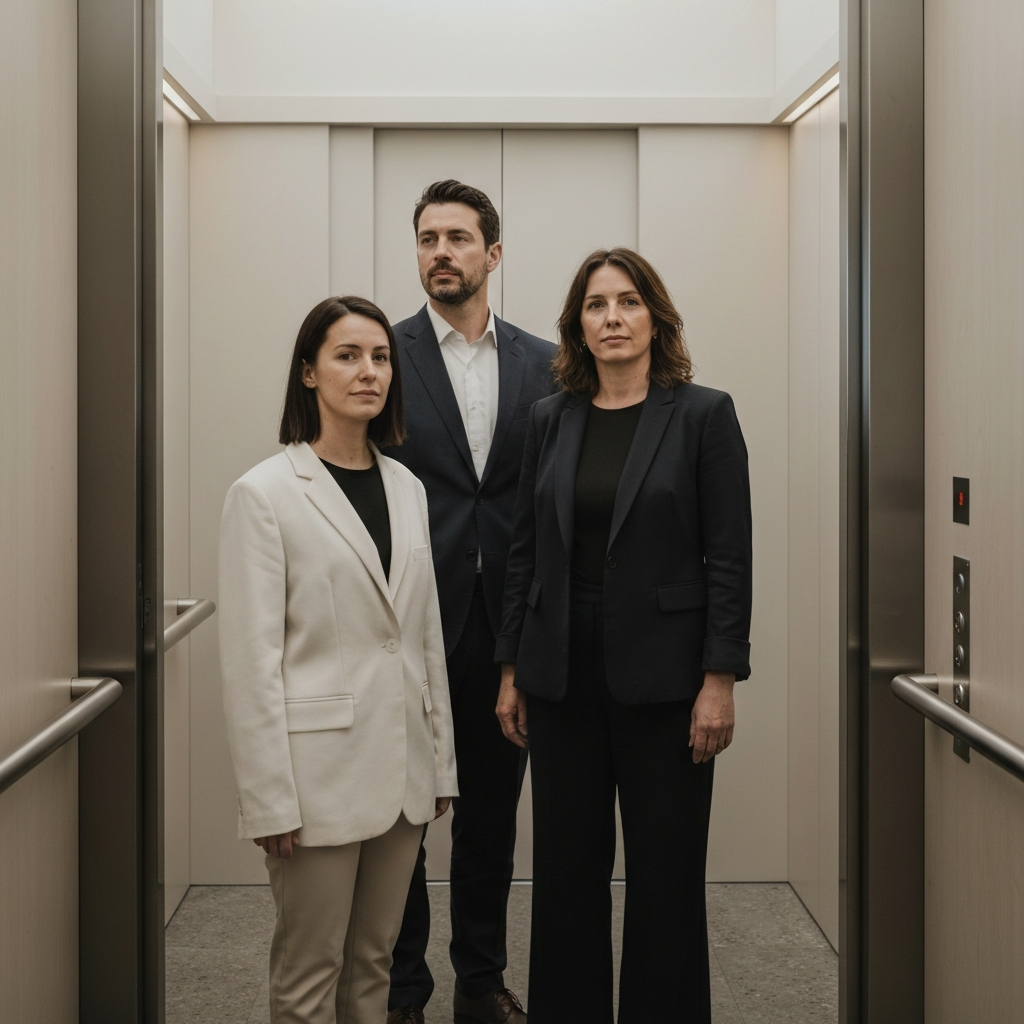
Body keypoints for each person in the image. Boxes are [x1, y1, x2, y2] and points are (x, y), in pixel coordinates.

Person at [495, 248, 752, 1024]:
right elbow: (523, 551)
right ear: (578, 323)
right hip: (562, 680)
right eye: (597, 305)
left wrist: (720, 680)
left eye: (629, 302)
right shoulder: (549, 418)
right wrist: (511, 668)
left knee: (666, 879)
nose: (613, 318)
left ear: (655, 318)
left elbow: (729, 559)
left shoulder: (704, 413)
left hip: (669, 687)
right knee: (566, 878)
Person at [219, 296, 458, 1024]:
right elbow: (250, 663)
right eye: (347, 356)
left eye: (381, 357)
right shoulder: (263, 494)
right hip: (313, 781)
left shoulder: (408, 488)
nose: (368, 371)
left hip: (402, 774)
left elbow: (423, 638)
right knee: (307, 977)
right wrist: (268, 797)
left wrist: (441, 761)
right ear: (308, 374)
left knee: (375, 969)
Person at [380, 180, 556, 1024]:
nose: (439, 252)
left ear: (492, 253)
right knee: (407, 816)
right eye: (426, 238)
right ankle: (404, 987)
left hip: (507, 630)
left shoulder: (547, 362)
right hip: (408, 624)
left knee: (489, 816)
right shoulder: (382, 354)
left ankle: (480, 980)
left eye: (457, 237)